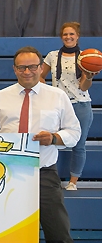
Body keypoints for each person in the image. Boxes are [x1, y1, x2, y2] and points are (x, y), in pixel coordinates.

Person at [0, 46, 80, 243]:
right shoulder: (0, 97)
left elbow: (74, 132)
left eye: (32, 66)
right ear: (14, 69)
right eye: (21, 67)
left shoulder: (57, 96)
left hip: (44, 173)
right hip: (7, 174)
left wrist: (55, 138)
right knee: (6, 233)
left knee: (58, 233)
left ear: (41, 68)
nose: (27, 72)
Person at [41, 22, 98, 191]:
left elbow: (83, 87)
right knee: (52, 142)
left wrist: (88, 76)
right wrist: (48, 91)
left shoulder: (85, 57)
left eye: (72, 34)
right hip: (57, 105)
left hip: (80, 104)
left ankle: (73, 182)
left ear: (78, 36)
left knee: (79, 145)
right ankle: (52, 179)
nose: (68, 37)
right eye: (65, 34)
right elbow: (40, 76)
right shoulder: (52, 55)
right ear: (61, 37)